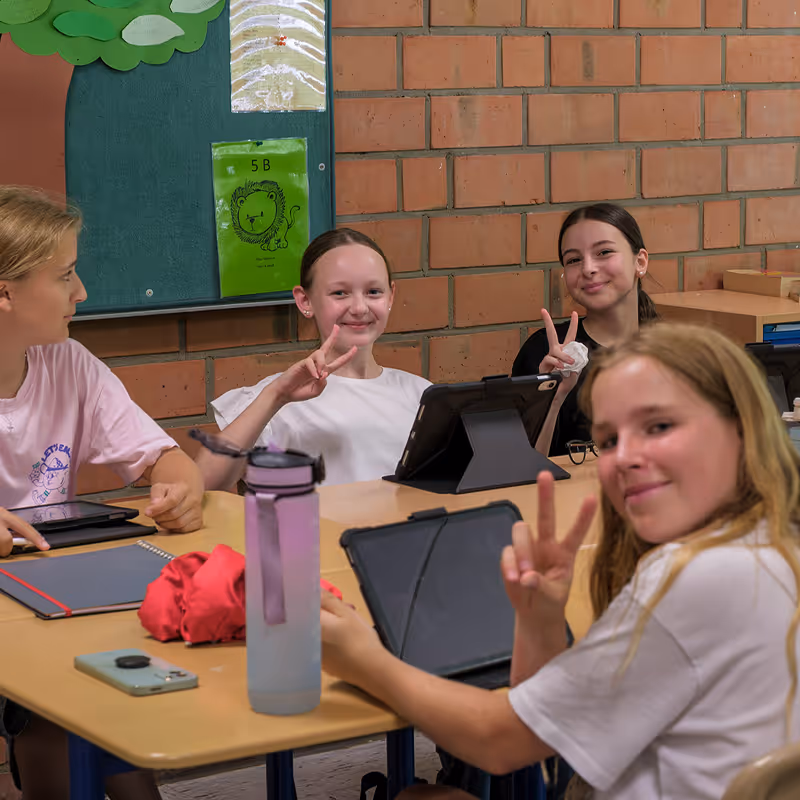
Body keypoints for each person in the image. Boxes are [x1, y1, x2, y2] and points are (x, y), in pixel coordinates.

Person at [320, 322, 800, 800]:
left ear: (739, 429)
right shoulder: (772, 544)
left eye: (658, 426)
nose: (625, 457)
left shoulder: (693, 577)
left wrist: (364, 659)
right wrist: (542, 620)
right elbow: (545, 730)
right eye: (608, 440)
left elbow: (501, 742)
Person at [0, 186, 205, 800]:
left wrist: (181, 486)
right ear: (5, 293)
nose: (82, 292)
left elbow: (167, 459)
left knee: (103, 691)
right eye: (65, 275)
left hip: (50, 594)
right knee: (57, 711)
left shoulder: (69, 363)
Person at [199, 228, 430, 490]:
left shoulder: (421, 395)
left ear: (391, 296)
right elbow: (205, 484)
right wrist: (275, 396)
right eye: (340, 293)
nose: (359, 308)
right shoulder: (277, 397)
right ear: (305, 301)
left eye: (373, 291)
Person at [513, 203, 658, 457]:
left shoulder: (674, 352)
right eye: (574, 260)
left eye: (604, 252)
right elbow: (521, 465)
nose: (588, 268)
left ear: (640, 262)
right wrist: (551, 400)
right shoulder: (546, 353)